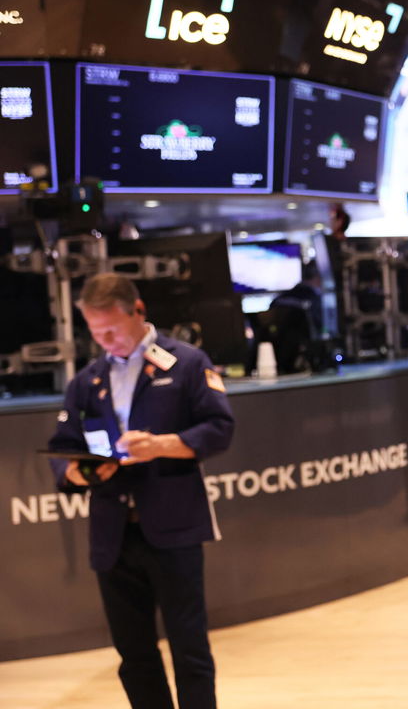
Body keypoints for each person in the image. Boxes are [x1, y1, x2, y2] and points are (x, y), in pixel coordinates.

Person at [47, 273, 234, 709]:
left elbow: (220, 429)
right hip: (113, 534)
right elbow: (62, 449)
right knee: (133, 655)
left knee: (189, 649)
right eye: (96, 333)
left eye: (112, 329)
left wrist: (162, 446)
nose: (105, 340)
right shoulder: (87, 380)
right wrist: (78, 474)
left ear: (138, 311)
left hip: (173, 528)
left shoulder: (187, 362)